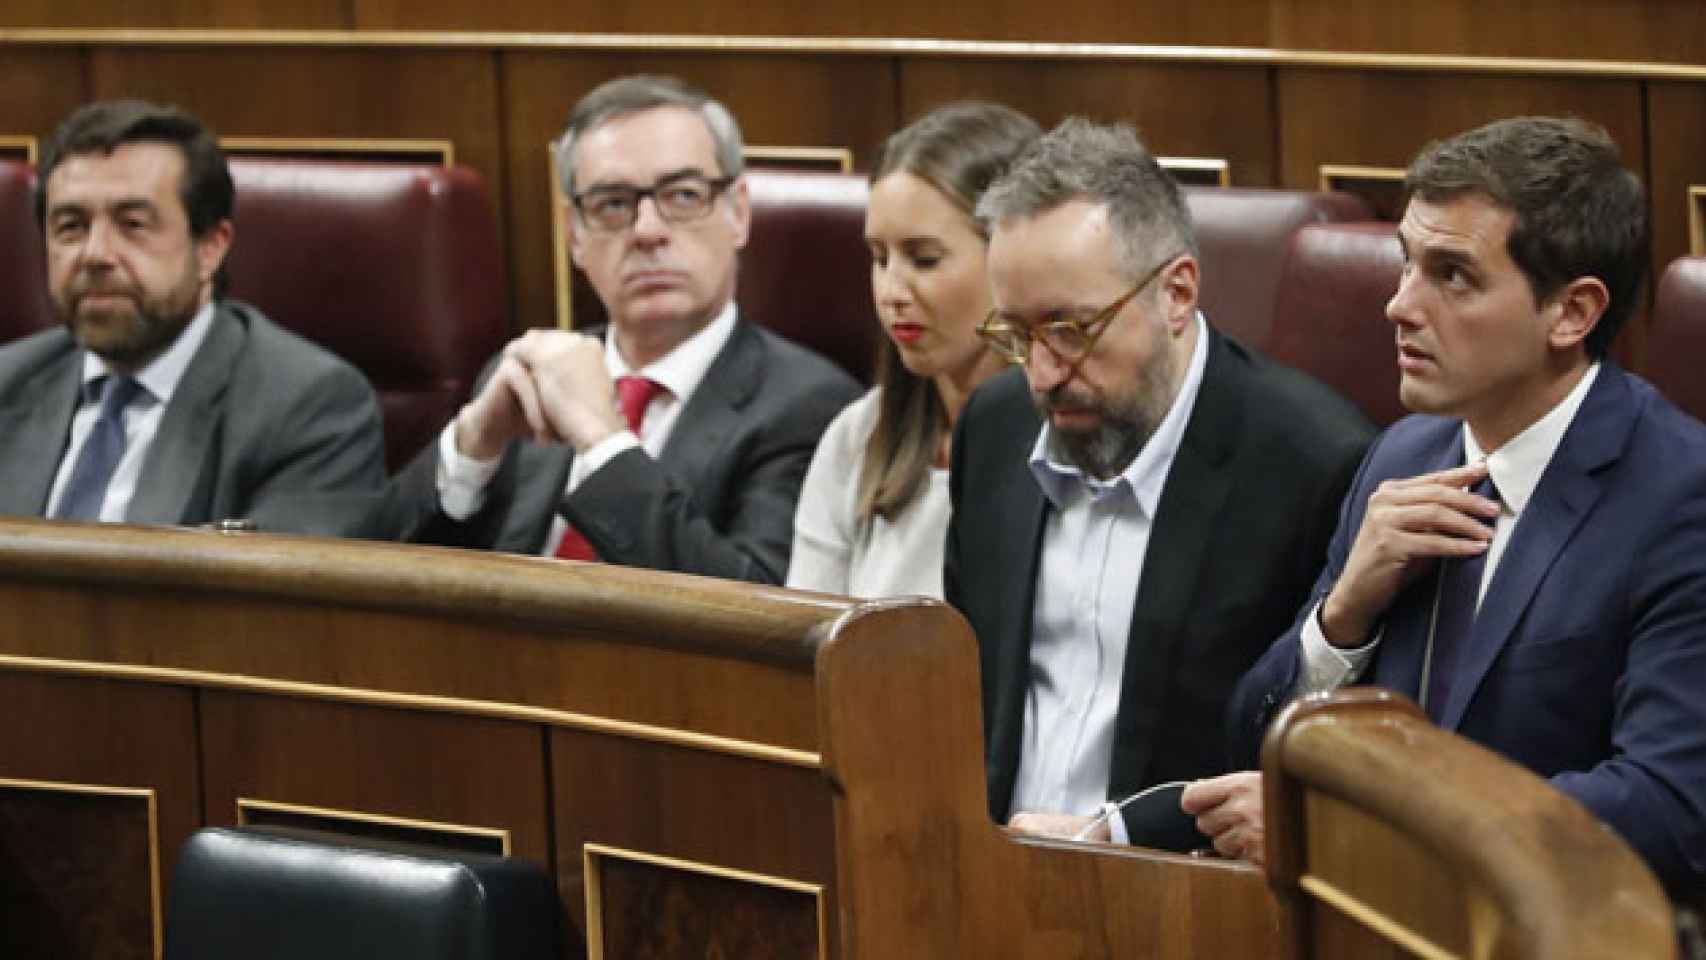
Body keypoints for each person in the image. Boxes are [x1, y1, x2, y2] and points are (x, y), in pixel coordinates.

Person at [1194, 117, 1706, 896]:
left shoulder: (1680, 499)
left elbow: (1668, 814)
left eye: (1452, 275)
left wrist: (1352, 835)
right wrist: (1343, 617)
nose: (1400, 305)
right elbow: (1252, 744)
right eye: (1406, 264)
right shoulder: (1402, 455)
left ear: (1571, 313)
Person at [945, 119, 1374, 849]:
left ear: (1177, 293)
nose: (1043, 373)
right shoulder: (994, 427)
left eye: (1072, 329)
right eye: (1017, 335)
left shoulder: (1313, 462)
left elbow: (1299, 760)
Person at [367, 75, 860, 583]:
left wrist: (603, 443)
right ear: (574, 234)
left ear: (738, 212)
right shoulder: (532, 377)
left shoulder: (809, 408)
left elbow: (759, 613)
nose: (648, 231)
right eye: (613, 204)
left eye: (684, 195)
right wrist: (471, 446)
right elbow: (370, 578)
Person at [0, 99, 384, 532]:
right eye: (71, 226)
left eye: (133, 224)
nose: (95, 255)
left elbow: (273, 598)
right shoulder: (10, 382)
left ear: (210, 248)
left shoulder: (308, 409)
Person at [786, 102, 1038, 598]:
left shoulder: (1071, 440)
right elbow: (807, 636)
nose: (891, 290)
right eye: (879, 258)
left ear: (1011, 256)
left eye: (924, 259)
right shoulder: (859, 433)